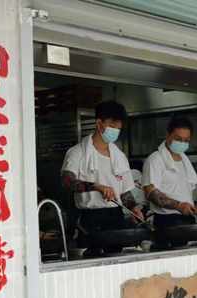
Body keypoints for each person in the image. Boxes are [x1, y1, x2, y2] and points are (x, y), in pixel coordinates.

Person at [61, 100, 143, 255]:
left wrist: (134, 208)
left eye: (118, 128)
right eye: (112, 126)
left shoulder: (119, 156)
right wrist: (96, 186)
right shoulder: (77, 153)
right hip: (90, 219)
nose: (115, 131)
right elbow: (67, 181)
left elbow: (124, 192)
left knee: (116, 258)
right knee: (91, 257)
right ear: (99, 124)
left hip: (116, 217)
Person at [142, 116, 197, 231]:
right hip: (166, 222)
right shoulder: (155, 159)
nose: (182, 143)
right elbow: (151, 193)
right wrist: (179, 206)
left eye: (186, 140)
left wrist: (189, 207)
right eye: (178, 139)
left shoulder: (185, 160)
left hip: (187, 219)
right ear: (168, 135)